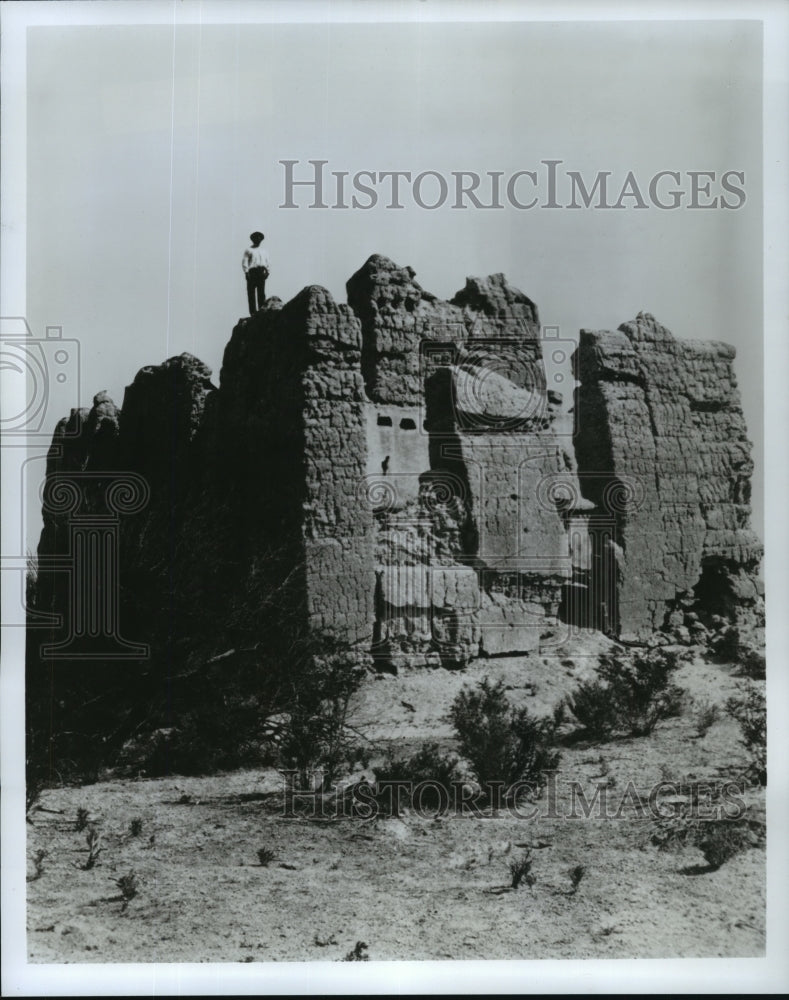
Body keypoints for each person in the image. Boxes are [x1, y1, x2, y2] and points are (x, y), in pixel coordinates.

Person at [242, 231, 270, 315]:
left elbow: (268, 262)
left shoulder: (264, 251)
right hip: (252, 272)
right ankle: (253, 312)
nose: (257, 239)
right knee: (251, 293)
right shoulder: (248, 250)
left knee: (261, 292)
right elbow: (245, 262)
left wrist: (267, 272)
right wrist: (246, 272)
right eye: (255, 238)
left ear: (261, 239)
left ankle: (261, 311)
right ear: (252, 239)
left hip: (261, 271)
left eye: (259, 238)